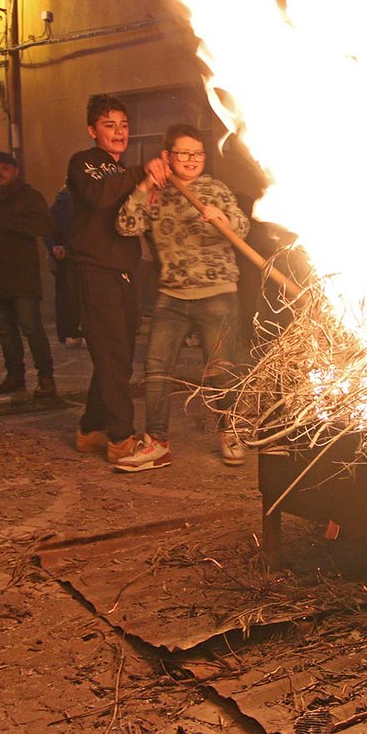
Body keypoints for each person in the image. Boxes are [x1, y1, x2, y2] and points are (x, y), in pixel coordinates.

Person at [114, 122, 249, 473]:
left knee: (221, 370)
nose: (191, 159)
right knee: (157, 370)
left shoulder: (214, 189)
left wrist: (223, 219)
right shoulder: (158, 189)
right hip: (171, 294)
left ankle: (230, 432)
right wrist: (145, 184)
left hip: (217, 292)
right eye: (183, 153)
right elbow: (127, 225)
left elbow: (242, 225)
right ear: (167, 155)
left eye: (197, 153)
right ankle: (157, 443)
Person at [64, 95, 148, 464]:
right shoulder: (85, 165)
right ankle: (121, 439)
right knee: (113, 355)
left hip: (124, 273)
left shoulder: (122, 172)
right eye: (109, 125)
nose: (118, 132)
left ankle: (90, 431)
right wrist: (140, 174)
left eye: (124, 125)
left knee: (117, 357)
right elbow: (100, 197)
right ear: (92, 130)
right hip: (94, 271)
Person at [0, 151, 55, 397]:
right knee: (6, 331)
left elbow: (46, 225)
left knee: (31, 328)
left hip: (21, 276)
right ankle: (14, 376)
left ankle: (46, 377)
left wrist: (11, 225)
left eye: (4, 168)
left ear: (15, 171)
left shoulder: (29, 197)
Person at [44, 186, 83, 346]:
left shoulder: (55, 207)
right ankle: (73, 330)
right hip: (74, 256)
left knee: (63, 295)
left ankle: (65, 332)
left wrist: (53, 247)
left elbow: (45, 231)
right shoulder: (77, 205)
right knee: (74, 295)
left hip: (60, 256)